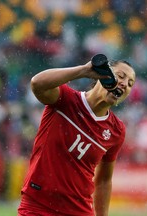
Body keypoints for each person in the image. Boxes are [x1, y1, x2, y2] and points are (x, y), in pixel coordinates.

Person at [17, 55, 136, 216]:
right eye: (121, 76)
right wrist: (84, 71)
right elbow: (37, 84)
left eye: (130, 84)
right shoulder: (65, 99)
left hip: (79, 211)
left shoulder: (117, 131)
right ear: (104, 74)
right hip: (38, 206)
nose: (124, 84)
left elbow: (104, 181)